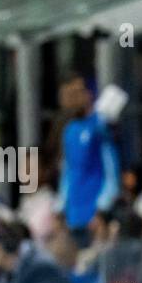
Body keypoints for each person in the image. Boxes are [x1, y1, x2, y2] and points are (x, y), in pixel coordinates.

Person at [56, 74, 120, 247]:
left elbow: (111, 171)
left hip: (95, 215)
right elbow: (67, 173)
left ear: (87, 95)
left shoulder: (100, 126)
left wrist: (102, 209)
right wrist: (61, 208)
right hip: (73, 216)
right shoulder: (69, 130)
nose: (69, 99)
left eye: (75, 93)